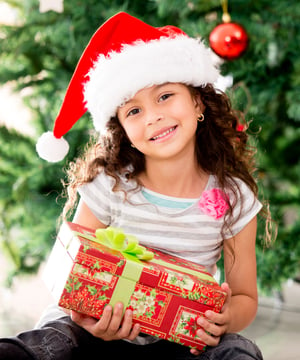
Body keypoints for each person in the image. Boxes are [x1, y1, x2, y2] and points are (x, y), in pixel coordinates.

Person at [0, 12, 274, 360]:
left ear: (198, 101)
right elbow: (73, 270)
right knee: (53, 341)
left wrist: (224, 319)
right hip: (97, 330)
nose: (153, 117)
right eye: (133, 111)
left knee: (239, 351)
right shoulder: (110, 185)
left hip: (179, 338)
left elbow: (244, 298)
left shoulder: (233, 196)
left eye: (165, 97)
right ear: (123, 131)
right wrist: (86, 318)